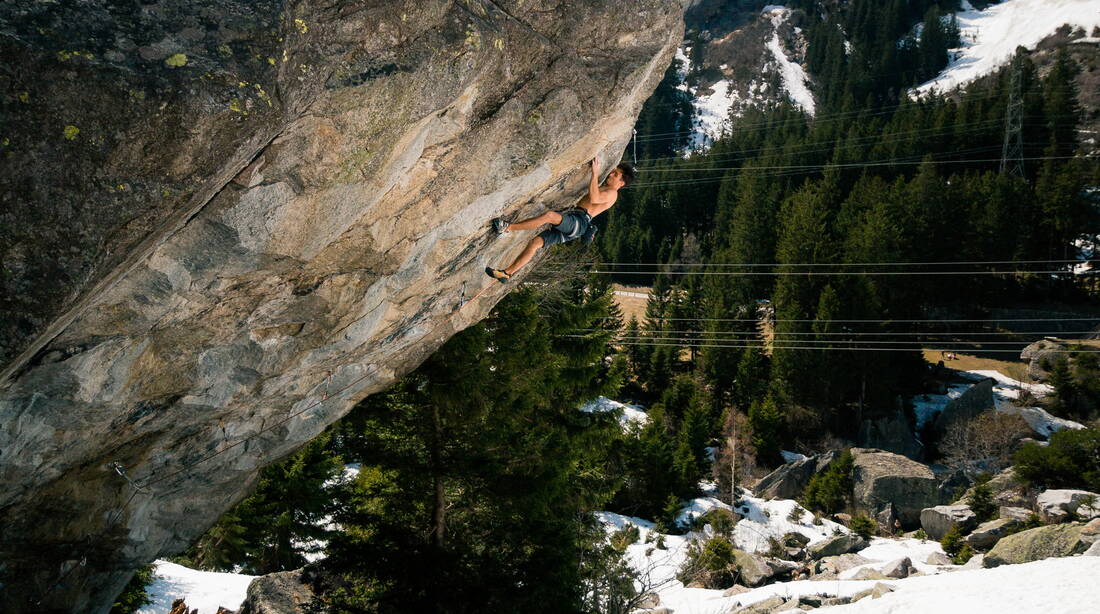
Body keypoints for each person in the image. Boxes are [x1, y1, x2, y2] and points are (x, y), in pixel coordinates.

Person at [484, 158, 635, 282]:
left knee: (549, 216)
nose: (611, 174)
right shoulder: (607, 188)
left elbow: (595, 198)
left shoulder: (612, 193)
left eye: (616, 174)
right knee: (535, 243)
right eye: (613, 171)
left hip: (579, 222)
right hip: (577, 223)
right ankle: (507, 273)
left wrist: (595, 174)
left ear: (621, 183)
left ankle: (508, 227)